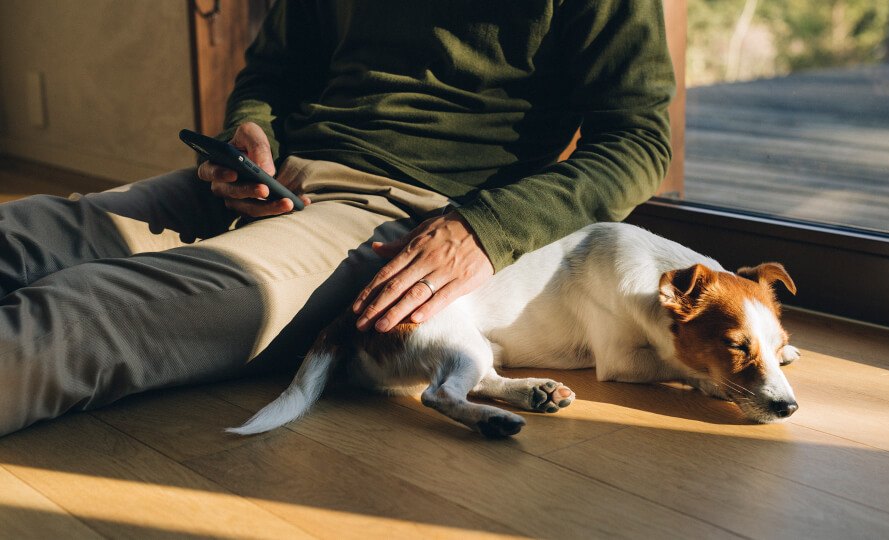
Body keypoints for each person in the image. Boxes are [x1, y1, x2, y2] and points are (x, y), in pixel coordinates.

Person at [0, 0, 674, 437]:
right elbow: (273, 69)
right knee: (19, 233)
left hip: (396, 214)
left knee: (78, 316)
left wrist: (485, 230)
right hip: (271, 178)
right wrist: (250, 131)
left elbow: (640, 141)